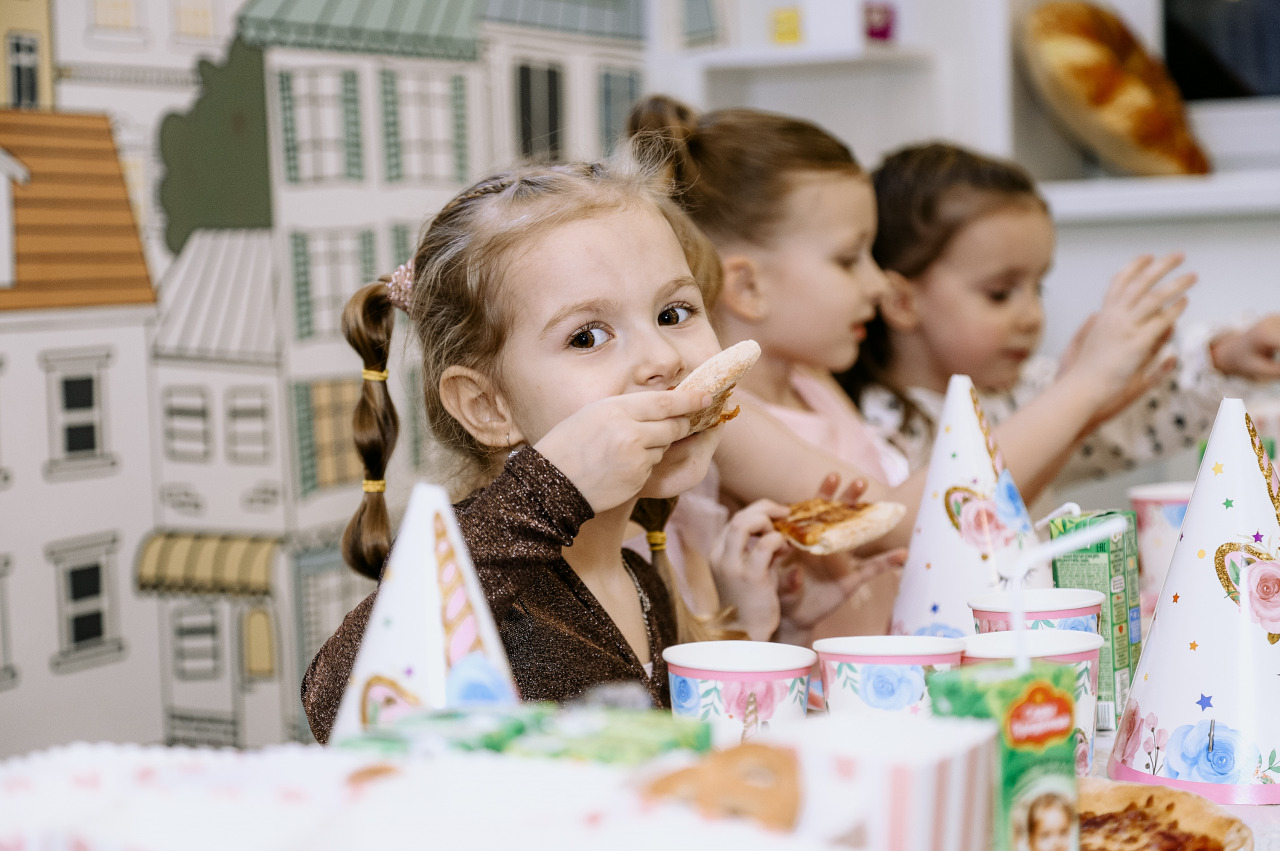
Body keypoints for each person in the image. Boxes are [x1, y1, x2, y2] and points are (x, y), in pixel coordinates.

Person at [300, 160, 897, 743]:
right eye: (587, 336)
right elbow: (337, 700)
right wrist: (547, 490)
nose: (663, 359)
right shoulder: (488, 570)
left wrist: (762, 632)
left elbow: (673, 774)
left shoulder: (640, 577)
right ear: (488, 406)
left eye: (674, 313)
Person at [628, 97, 1193, 635]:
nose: (877, 284)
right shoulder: (722, 416)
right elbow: (904, 523)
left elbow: (956, 527)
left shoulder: (813, 384)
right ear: (748, 285)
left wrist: (1080, 415)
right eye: (850, 259)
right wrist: (1081, 391)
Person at [837, 142, 1280, 506]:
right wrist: (1083, 386)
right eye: (999, 293)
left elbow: (1139, 411)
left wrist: (1227, 356)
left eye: (1038, 288)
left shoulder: (1026, 391)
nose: (1031, 316)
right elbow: (947, 519)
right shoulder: (873, 429)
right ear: (900, 302)